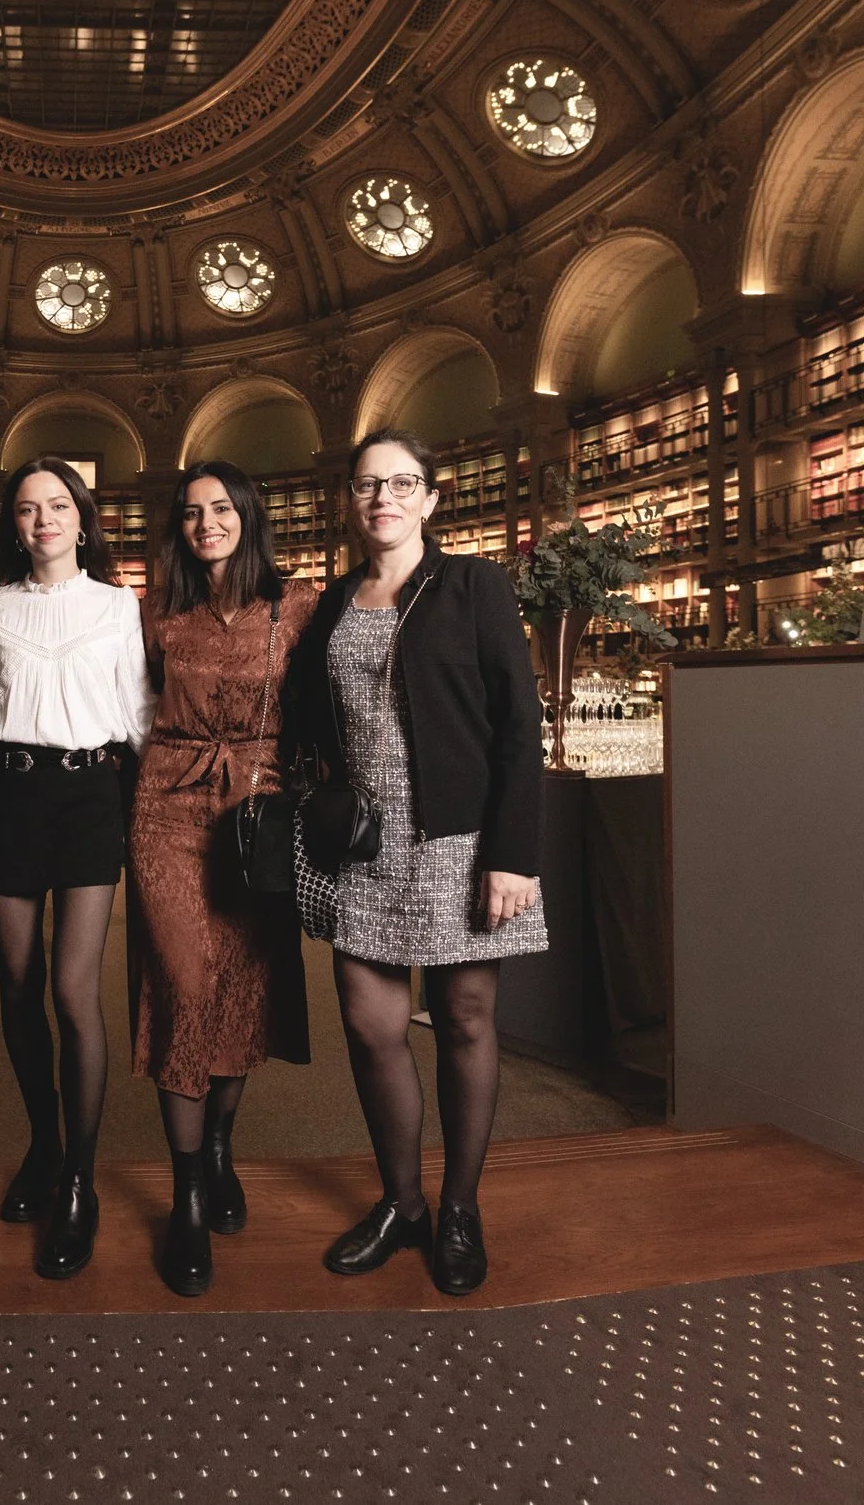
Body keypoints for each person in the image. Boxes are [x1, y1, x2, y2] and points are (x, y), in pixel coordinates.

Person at [285, 426, 546, 1298]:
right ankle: (403, 1203)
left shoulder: (473, 583)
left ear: (431, 499)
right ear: (349, 502)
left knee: (466, 1021)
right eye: (366, 485)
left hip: (460, 838)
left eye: (402, 483)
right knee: (369, 1025)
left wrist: (512, 854)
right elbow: (307, 717)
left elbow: (519, 725)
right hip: (362, 841)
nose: (383, 498)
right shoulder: (330, 604)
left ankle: (461, 1207)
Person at [128, 461, 317, 1298]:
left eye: (221, 508)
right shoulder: (157, 612)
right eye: (192, 512)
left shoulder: (299, 606)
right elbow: (125, 706)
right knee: (183, 984)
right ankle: (188, 1198)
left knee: (242, 987)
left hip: (257, 816)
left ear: (248, 513)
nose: (207, 523)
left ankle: (219, 1144)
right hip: (166, 805)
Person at [0, 456, 150, 1279]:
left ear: (83, 518)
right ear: (14, 524)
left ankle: (80, 1177)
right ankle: (41, 1143)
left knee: (75, 992)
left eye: (58, 505)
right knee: (16, 979)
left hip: (88, 797)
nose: (44, 519)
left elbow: (139, 716)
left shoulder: (119, 605)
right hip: (7, 795)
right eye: (28, 508)